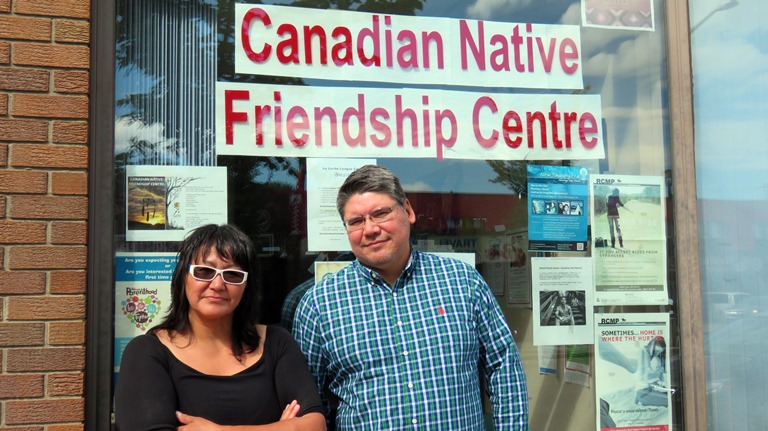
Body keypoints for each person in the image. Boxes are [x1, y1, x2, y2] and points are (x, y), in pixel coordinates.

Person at [293, 165, 530, 430]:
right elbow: (310, 406)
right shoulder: (319, 305)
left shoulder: (463, 282)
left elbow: (503, 366)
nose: (370, 229)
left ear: (408, 211)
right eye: (356, 221)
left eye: (380, 214)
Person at [114, 223, 325, 431]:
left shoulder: (276, 343)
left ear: (246, 286)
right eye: (204, 271)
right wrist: (281, 428)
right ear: (182, 278)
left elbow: (315, 425)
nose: (217, 284)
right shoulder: (147, 352)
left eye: (232, 275)